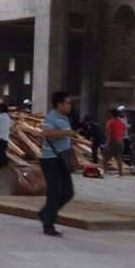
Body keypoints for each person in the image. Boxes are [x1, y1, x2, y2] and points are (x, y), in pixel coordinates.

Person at [38, 91, 77, 237]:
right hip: (50, 159)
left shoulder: (65, 118)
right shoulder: (51, 117)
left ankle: (45, 213)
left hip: (62, 159)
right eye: (67, 103)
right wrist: (67, 134)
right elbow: (46, 133)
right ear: (59, 104)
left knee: (68, 193)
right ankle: (49, 224)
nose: (70, 106)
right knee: (54, 192)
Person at [104, 108, 127, 176]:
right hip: (121, 141)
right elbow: (123, 132)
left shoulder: (110, 122)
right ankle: (120, 172)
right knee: (119, 157)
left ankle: (105, 171)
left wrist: (107, 144)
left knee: (105, 156)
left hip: (113, 141)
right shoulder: (121, 122)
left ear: (111, 114)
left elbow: (108, 133)